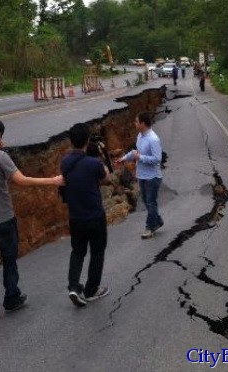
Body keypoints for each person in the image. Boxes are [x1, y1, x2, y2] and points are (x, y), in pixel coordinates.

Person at [0, 116, 63, 323]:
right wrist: (52, 181)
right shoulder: (1, 157)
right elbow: (21, 180)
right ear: (0, 135)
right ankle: (11, 298)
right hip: (3, 220)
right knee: (9, 262)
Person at [61, 123, 111, 308]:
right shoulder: (94, 163)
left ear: (71, 141)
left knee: (78, 252)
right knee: (97, 252)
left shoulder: (65, 162)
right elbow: (106, 179)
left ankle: (74, 286)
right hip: (95, 215)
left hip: (75, 217)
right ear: (88, 140)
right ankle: (91, 290)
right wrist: (99, 157)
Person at [115, 111, 163, 239]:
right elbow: (136, 152)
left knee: (151, 202)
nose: (134, 123)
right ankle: (157, 221)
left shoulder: (153, 139)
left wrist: (140, 157)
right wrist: (124, 158)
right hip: (142, 175)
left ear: (142, 123)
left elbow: (157, 159)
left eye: (136, 121)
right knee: (147, 202)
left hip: (153, 177)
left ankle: (150, 228)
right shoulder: (140, 136)